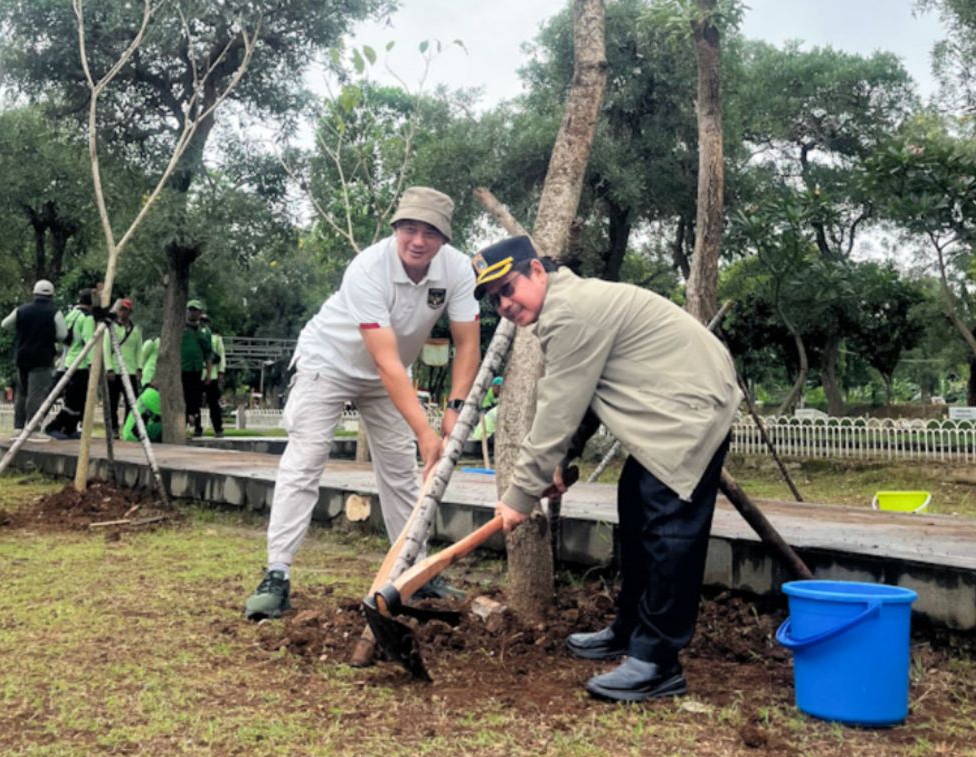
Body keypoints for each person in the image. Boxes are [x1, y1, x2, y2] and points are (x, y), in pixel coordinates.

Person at [475, 235, 740, 703]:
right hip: (666, 407)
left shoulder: (570, 311)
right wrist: (561, 460)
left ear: (537, 271)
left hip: (688, 410)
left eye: (508, 288)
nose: (505, 304)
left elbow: (558, 409)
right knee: (635, 509)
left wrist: (520, 496)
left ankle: (658, 662)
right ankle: (632, 628)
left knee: (667, 529)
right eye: (495, 300)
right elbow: (585, 397)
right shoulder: (570, 305)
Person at [244, 186, 481, 621]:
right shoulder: (368, 268)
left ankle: (413, 570)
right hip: (329, 362)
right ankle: (276, 575)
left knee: (399, 469)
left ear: (444, 239)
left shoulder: (459, 270)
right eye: (409, 228)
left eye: (430, 233)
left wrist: (455, 409)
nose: (417, 241)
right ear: (396, 228)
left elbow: (467, 343)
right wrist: (427, 433)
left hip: (389, 373)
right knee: (307, 457)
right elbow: (386, 360)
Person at [1, 279, 69, 439]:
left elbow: (5, 324)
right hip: (42, 358)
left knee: (22, 393)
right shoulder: (55, 312)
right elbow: (62, 335)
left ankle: (18, 428)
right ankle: (33, 429)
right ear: (52, 295)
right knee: (36, 394)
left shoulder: (22, 310)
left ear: (34, 293)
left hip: (22, 357)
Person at [46, 289, 96, 439]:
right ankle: (55, 426)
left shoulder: (71, 314)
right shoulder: (87, 318)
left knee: (71, 398)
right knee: (77, 400)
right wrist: (93, 364)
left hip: (66, 361)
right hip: (80, 364)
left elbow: (61, 338)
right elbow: (89, 342)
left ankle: (70, 428)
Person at [104, 298, 143, 434]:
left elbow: (139, 350)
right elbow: (106, 349)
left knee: (131, 402)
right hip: (115, 369)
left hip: (130, 370)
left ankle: (128, 427)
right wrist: (109, 368)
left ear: (130, 312)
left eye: (125, 310)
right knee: (112, 402)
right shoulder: (111, 328)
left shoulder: (136, 330)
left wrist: (139, 368)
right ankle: (113, 428)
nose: (123, 313)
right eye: (121, 309)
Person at [181, 299, 213, 437]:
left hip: (197, 368)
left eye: (196, 310)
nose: (193, 313)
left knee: (196, 399)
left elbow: (208, 353)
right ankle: (181, 426)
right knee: (183, 398)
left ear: (200, 313)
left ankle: (197, 427)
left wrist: (209, 373)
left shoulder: (205, 332)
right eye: (191, 310)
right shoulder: (181, 328)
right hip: (182, 368)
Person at [200, 311, 226, 438]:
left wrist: (221, 371)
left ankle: (218, 428)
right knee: (195, 403)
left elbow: (221, 355)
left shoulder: (216, 338)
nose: (203, 324)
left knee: (213, 404)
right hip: (198, 372)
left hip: (213, 373)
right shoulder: (196, 336)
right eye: (201, 321)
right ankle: (197, 428)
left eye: (205, 321)